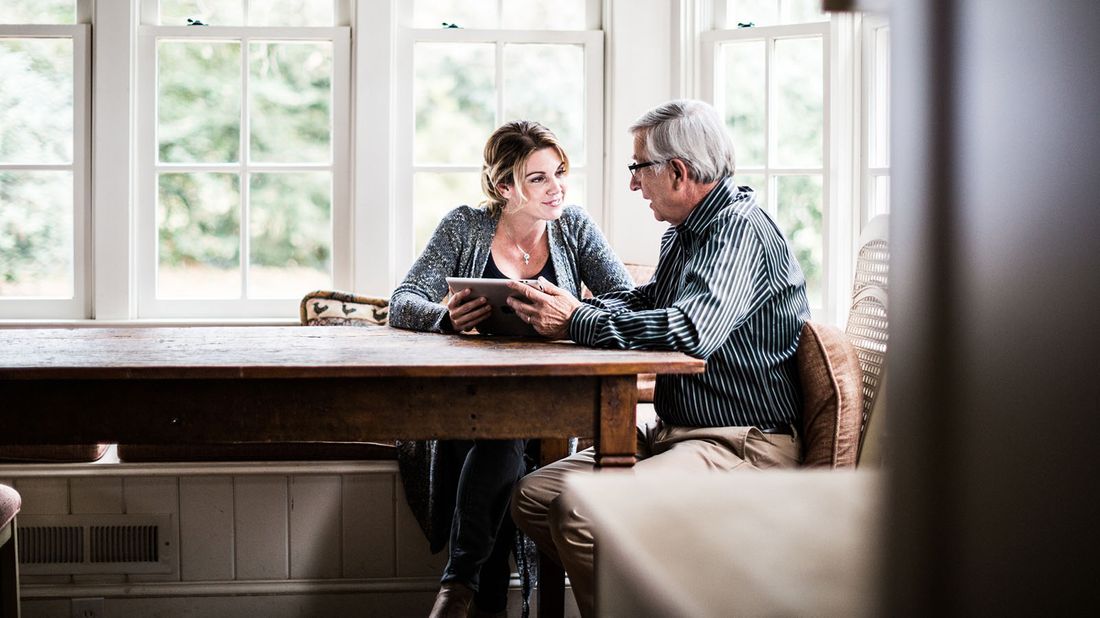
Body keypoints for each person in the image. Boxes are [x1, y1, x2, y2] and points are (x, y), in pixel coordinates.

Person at [503, 99, 811, 617]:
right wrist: (570, 307)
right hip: (676, 433)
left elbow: (691, 331)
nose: (633, 184)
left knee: (581, 512)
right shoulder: (685, 232)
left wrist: (576, 321)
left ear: (678, 171)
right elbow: (647, 302)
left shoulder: (737, 229)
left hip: (742, 443)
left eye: (637, 168)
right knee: (534, 496)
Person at [389, 120, 634, 618]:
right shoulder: (465, 225)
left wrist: (573, 314)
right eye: (539, 177)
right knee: (502, 440)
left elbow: (627, 303)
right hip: (470, 401)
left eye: (559, 173)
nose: (557, 187)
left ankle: (459, 587)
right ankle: (474, 595)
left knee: (504, 437)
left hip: (547, 400)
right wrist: (446, 318)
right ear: (505, 187)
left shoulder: (576, 228)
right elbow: (401, 302)